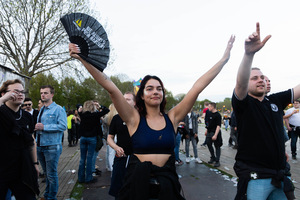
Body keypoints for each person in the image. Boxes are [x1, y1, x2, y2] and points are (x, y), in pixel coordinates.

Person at [69, 34, 235, 199]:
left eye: (159, 88)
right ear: (141, 95)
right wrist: (82, 59)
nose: (155, 91)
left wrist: (223, 60)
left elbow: (197, 87)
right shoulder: (134, 119)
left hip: (167, 186)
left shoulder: (173, 118)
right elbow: (110, 87)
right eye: (149, 88)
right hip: (137, 185)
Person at [232, 23, 296, 200]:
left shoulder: (274, 100)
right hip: (256, 179)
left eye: (262, 77)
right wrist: (249, 54)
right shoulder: (243, 103)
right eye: (255, 78)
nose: (260, 80)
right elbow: (240, 83)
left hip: (279, 176)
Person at [0, 79, 39, 199]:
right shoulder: (1, 112)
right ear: (4, 93)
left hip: (22, 167)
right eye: (16, 91)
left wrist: (35, 163)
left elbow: (31, 141)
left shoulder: (27, 116)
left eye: (22, 91)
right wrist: (2, 100)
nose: (21, 94)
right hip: (2, 168)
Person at [35, 85, 67, 200]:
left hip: (52, 146)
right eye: (41, 93)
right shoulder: (42, 109)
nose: (43, 95)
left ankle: (51, 197)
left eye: (46, 93)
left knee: (52, 175)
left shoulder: (58, 109)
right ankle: (47, 195)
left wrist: (45, 127)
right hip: (40, 145)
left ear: (52, 95)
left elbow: (63, 126)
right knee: (47, 174)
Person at [107, 92, 135, 199]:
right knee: (118, 190)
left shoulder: (140, 118)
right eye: (123, 99)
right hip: (121, 157)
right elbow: (109, 137)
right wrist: (116, 147)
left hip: (136, 159)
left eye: (128, 99)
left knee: (135, 189)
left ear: (134, 102)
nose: (124, 101)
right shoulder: (116, 118)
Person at [78, 100, 109, 183]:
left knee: (82, 159)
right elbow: (107, 110)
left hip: (83, 138)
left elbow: (78, 108)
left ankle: (81, 178)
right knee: (90, 158)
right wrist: (100, 106)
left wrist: (80, 109)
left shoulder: (82, 115)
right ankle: (89, 178)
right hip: (92, 138)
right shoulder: (95, 115)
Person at [205, 102, 222, 167]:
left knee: (217, 146)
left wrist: (215, 135)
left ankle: (217, 161)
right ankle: (213, 157)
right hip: (209, 132)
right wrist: (206, 130)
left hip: (215, 132)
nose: (208, 108)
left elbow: (218, 126)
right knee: (208, 143)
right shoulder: (209, 113)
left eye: (209, 106)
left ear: (212, 107)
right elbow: (208, 123)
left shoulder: (218, 115)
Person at [103, 104, 118, 172]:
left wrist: (106, 138)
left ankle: (109, 167)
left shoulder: (106, 117)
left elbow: (105, 130)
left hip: (109, 136)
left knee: (109, 153)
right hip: (117, 135)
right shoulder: (118, 116)